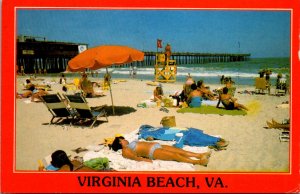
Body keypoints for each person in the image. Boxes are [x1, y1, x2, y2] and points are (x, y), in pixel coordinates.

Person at [111, 136, 210, 166]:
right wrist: (147, 161)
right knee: (175, 155)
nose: (125, 139)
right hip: (152, 152)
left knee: (179, 150)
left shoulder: (129, 144)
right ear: (120, 142)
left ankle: (199, 155)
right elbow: (135, 158)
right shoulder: (125, 151)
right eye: (122, 139)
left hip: (157, 145)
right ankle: (198, 162)